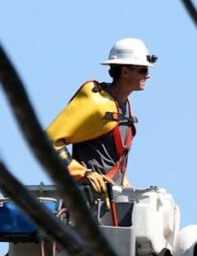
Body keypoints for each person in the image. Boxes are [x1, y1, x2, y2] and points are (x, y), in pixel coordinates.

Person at [45, 38, 157, 198]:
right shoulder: (96, 102)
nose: (148, 76)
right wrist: (84, 174)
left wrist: (127, 189)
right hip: (88, 204)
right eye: (143, 70)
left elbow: (109, 162)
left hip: (110, 201)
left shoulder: (123, 105)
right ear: (125, 71)